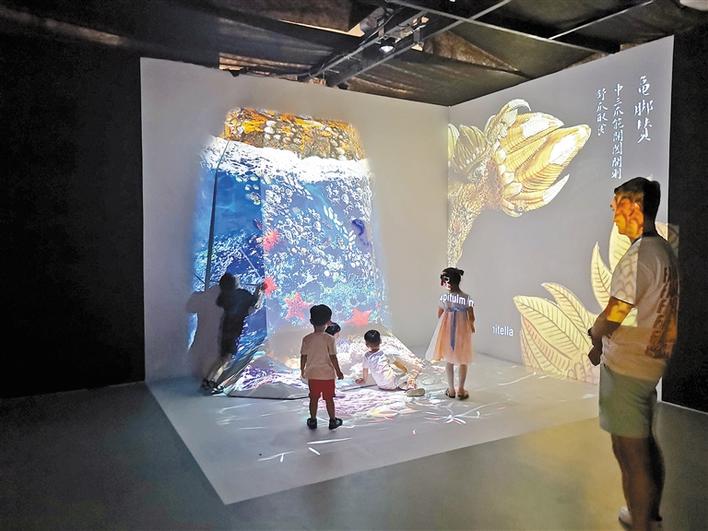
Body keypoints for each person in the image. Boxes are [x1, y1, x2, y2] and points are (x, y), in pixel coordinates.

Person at [588, 177, 678, 531]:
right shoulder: (663, 250)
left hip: (627, 366)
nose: (614, 216)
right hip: (649, 362)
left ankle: (640, 521)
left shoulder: (637, 257)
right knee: (645, 443)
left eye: (617, 207)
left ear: (635, 207)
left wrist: (595, 334)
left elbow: (614, 313)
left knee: (631, 453)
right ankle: (648, 515)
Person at [203, 273, 264, 389]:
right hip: (234, 330)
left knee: (222, 357)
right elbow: (255, 306)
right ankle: (213, 383)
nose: (238, 276)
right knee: (227, 358)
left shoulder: (225, 296)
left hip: (225, 327)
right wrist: (260, 291)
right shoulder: (241, 294)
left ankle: (207, 379)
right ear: (234, 282)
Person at [426, 267, 475, 399]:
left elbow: (439, 314)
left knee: (449, 360)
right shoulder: (467, 297)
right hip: (463, 331)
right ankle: (461, 389)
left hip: (448, 331)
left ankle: (451, 389)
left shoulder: (444, 297)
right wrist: (471, 326)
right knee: (463, 360)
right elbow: (471, 316)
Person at [301, 305, 344, 430]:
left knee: (313, 398)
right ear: (328, 322)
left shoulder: (307, 339)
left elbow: (303, 356)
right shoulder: (330, 339)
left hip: (313, 375)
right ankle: (332, 421)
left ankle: (313, 420)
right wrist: (338, 371)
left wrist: (302, 369)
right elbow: (333, 357)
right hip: (327, 376)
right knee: (329, 399)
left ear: (311, 321)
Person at [355, 329, 425, 397]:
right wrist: (405, 370)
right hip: (391, 382)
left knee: (399, 382)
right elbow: (397, 364)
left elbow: (365, 369)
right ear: (380, 341)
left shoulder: (367, 356)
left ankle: (405, 388)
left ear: (366, 344)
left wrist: (364, 380)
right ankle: (410, 388)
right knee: (410, 375)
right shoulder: (385, 353)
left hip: (380, 385)